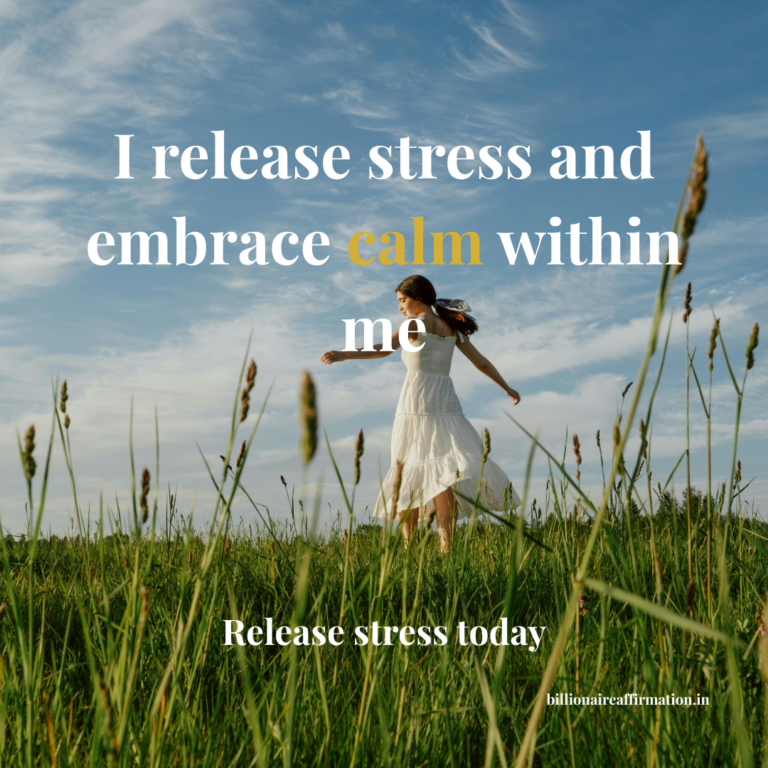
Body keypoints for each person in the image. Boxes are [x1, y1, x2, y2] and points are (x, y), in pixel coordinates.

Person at [321, 275, 521, 554]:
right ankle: (445, 548)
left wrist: (345, 354)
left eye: (402, 300)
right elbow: (482, 363)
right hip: (446, 403)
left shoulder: (414, 324)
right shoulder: (452, 328)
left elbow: (383, 350)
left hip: (416, 402)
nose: (400, 306)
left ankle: (408, 549)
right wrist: (506, 387)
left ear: (417, 296)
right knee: (442, 473)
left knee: (409, 470)